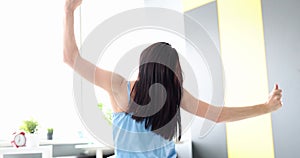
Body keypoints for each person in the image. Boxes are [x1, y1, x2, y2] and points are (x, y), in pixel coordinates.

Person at [63, 0, 283, 157]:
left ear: (144, 65)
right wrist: (266, 107)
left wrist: (69, 11)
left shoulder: (120, 87)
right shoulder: (175, 95)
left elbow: (71, 58)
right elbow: (218, 115)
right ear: (171, 72)